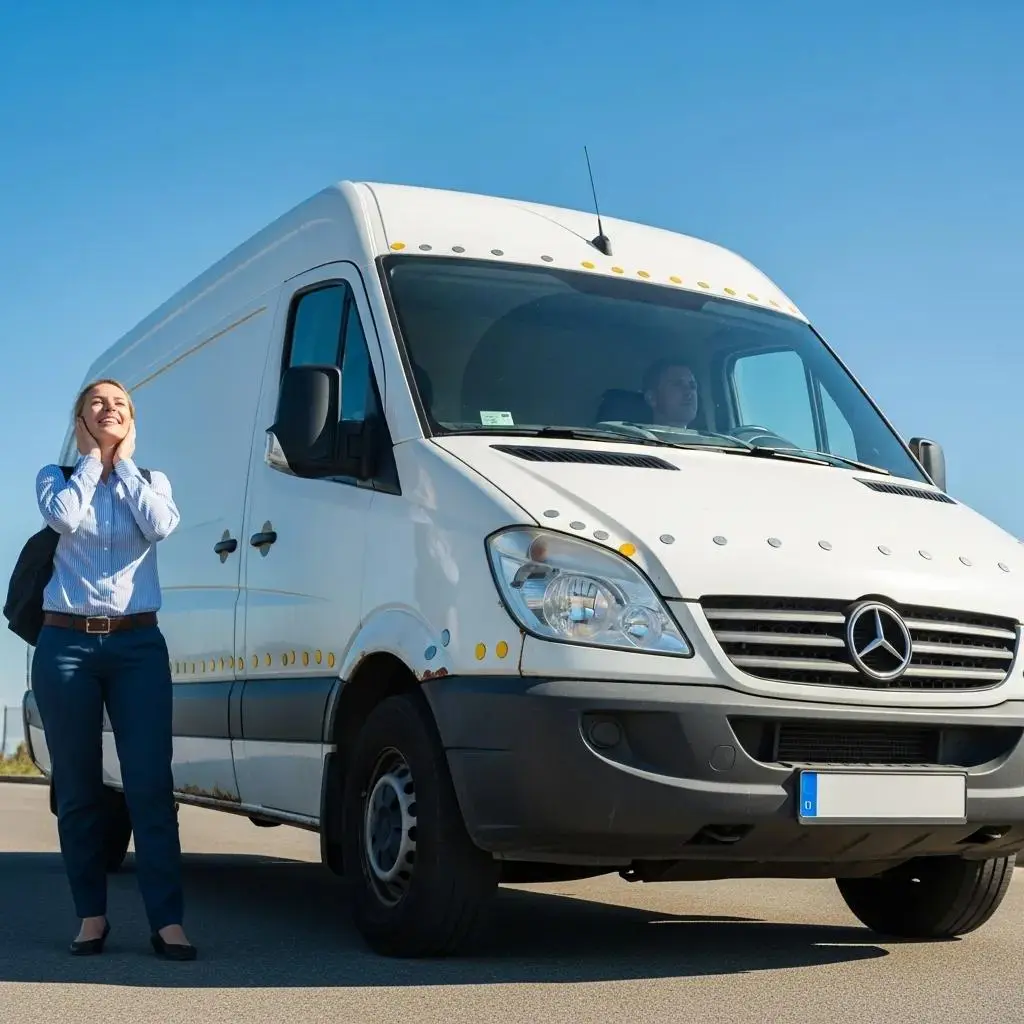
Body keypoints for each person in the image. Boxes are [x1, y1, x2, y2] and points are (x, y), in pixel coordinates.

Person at [31, 378, 196, 961]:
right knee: (78, 790)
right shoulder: (55, 479)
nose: (110, 410)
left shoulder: (152, 483)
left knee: (150, 785)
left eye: (120, 404)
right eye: (98, 404)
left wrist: (121, 467)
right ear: (80, 420)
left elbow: (160, 526)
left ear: (133, 421)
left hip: (137, 647)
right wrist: (90, 461)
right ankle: (91, 917)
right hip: (66, 646)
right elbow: (65, 519)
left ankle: (167, 921)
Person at [642, 358, 700, 428]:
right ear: (652, 398)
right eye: (678, 384)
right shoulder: (637, 437)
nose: (688, 392)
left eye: (692, 386)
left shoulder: (708, 438)